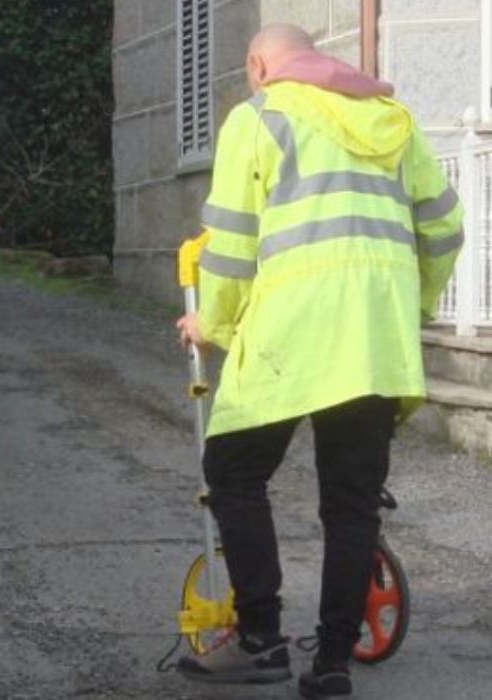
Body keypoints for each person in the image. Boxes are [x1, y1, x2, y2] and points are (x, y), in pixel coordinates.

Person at [173, 23, 463, 700]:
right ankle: (333, 661)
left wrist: (208, 322)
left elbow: (233, 243)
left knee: (234, 471)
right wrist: (409, 304)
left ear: (258, 66)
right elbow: (446, 226)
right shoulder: (395, 124)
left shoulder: (259, 118)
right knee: (350, 501)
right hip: (374, 341)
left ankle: (259, 638)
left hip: (291, 333)